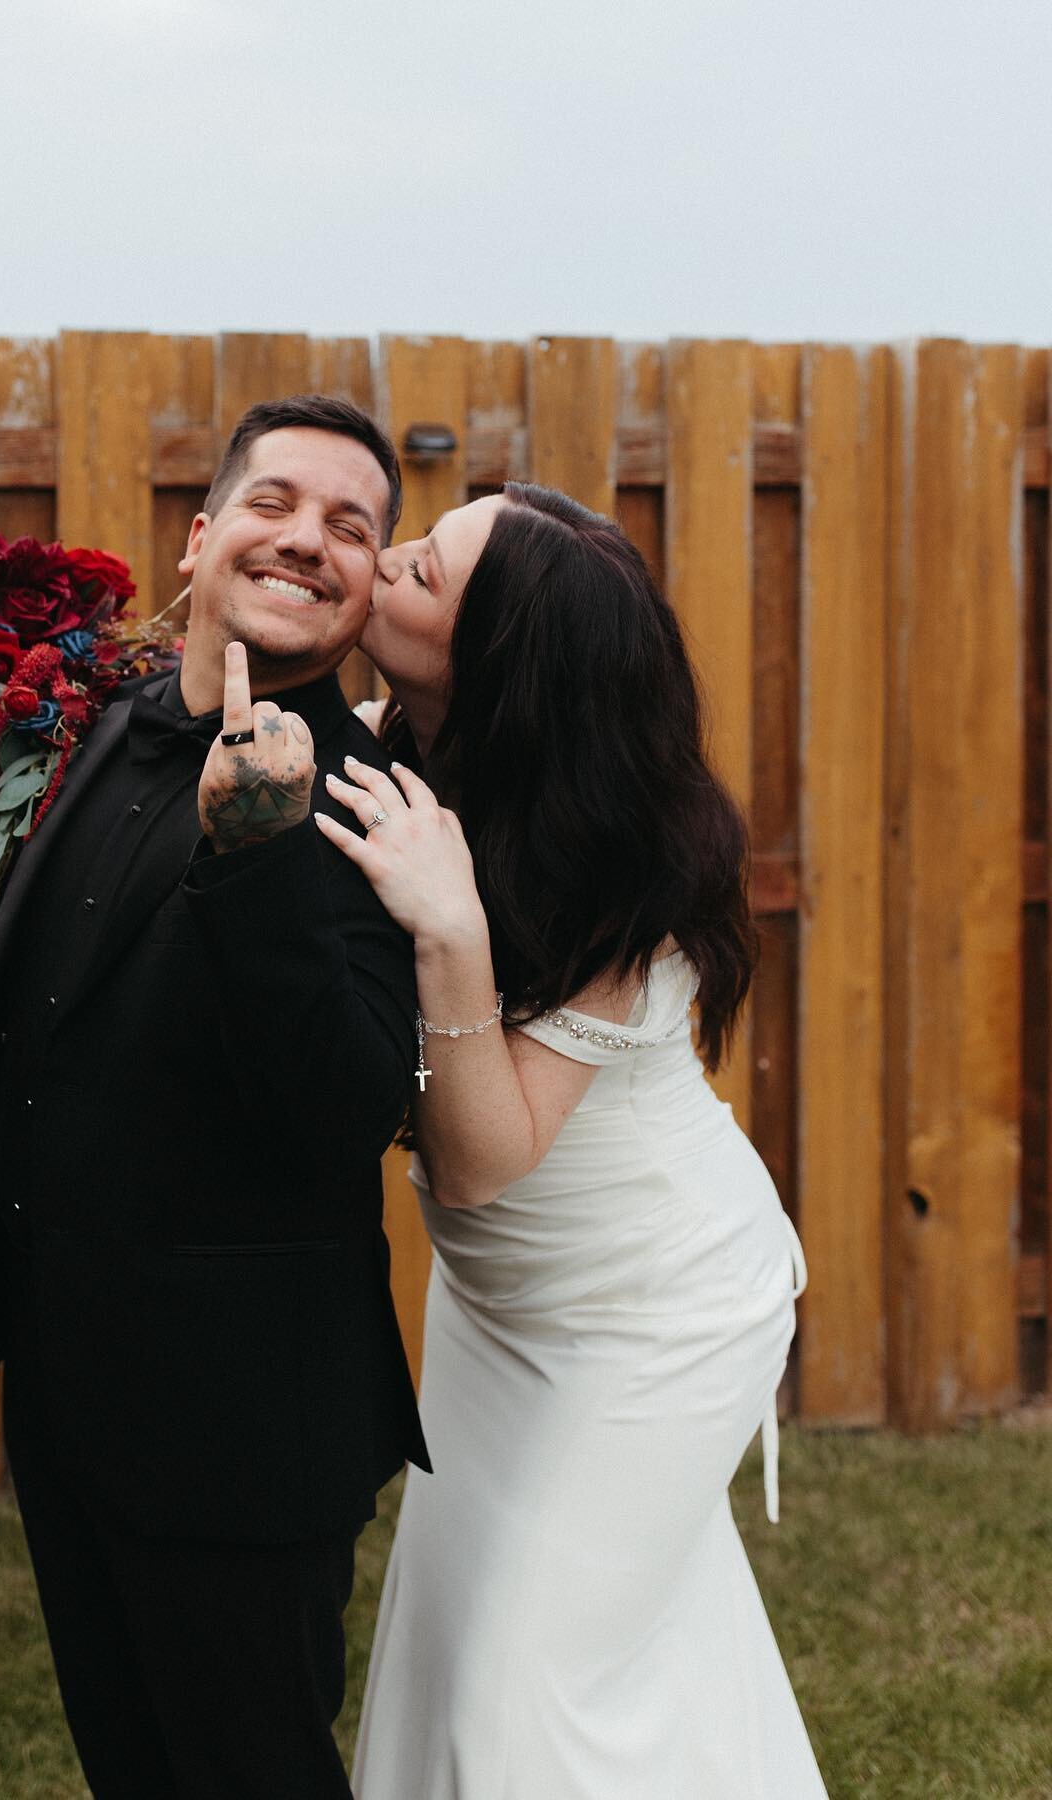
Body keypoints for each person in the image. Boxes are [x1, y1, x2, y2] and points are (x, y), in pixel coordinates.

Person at [0, 395, 430, 1800]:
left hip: (239, 1430)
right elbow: (39, 1003)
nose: (308, 542)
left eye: (350, 529)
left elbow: (349, 1108)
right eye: (276, 504)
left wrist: (254, 851)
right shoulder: (98, 725)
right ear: (200, 539)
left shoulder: (376, 808)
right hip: (66, 1386)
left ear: (366, 590)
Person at [317, 485, 828, 1797]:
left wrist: (453, 935)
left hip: (660, 1311)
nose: (388, 563)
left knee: (524, 1670)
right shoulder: (388, 747)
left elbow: (485, 1159)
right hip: (505, 1312)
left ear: (498, 666)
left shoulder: (624, 860)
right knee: (470, 1634)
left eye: (423, 572)